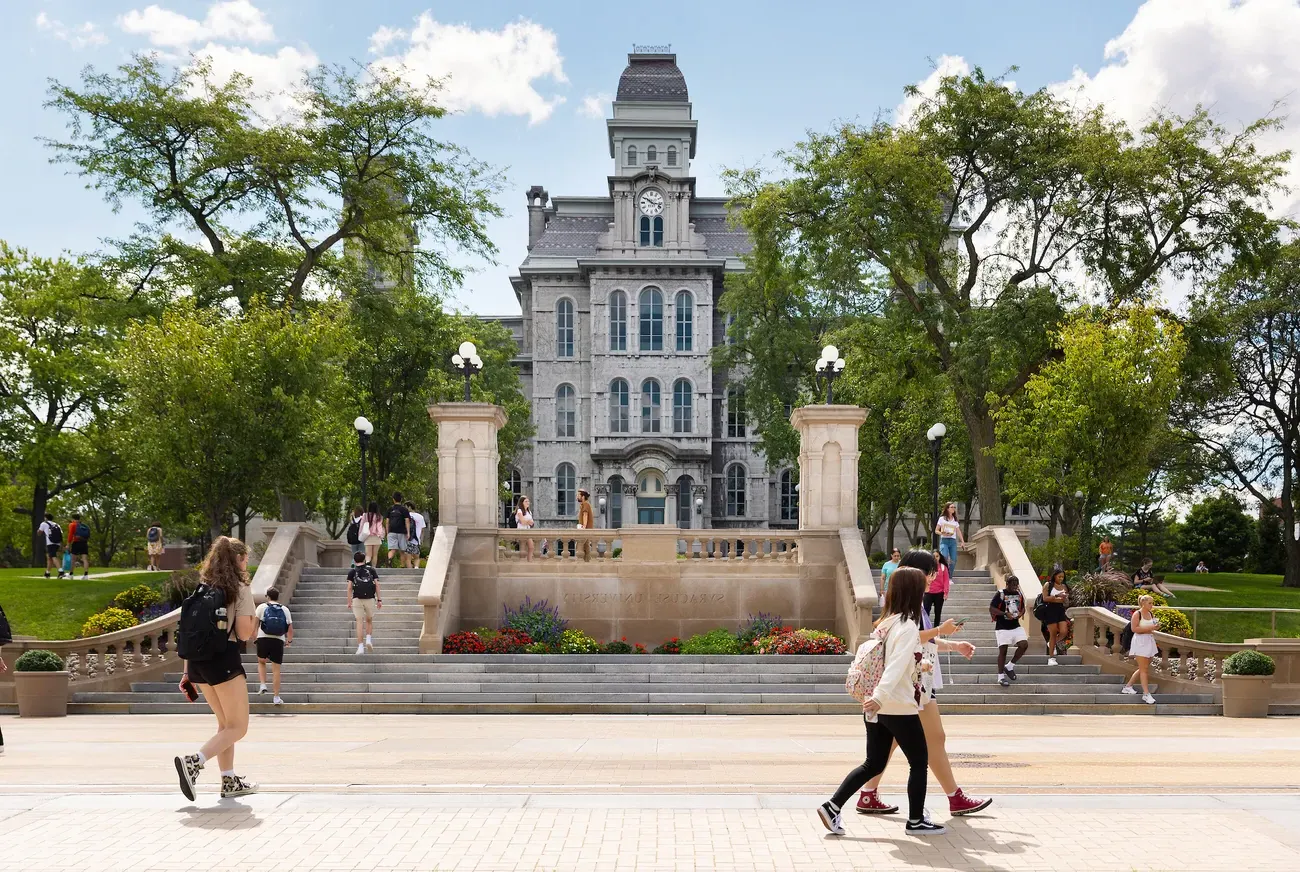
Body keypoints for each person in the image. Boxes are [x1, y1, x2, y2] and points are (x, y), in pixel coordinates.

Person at [857, 549, 991, 818]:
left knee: (895, 740)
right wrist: (944, 632)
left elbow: (923, 640)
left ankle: (867, 794)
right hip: (914, 684)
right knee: (934, 739)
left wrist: (953, 644)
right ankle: (954, 798)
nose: (934, 577)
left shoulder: (911, 600)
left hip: (917, 681)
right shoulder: (906, 601)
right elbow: (911, 637)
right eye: (930, 572)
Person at [818, 566, 947, 837]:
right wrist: (879, 697)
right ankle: (915, 821)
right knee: (919, 761)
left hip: (876, 704)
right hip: (895, 705)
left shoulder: (886, 622)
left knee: (874, 763)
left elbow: (895, 662)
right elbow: (895, 666)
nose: (927, 589)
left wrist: (917, 669)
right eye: (923, 585)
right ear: (914, 592)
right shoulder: (908, 626)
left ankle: (832, 806)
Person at [172, 536, 258, 801]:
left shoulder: (203, 588)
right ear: (240, 559)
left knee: (225, 725)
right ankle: (194, 762)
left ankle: (229, 780)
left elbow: (190, 632)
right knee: (239, 727)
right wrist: (255, 620)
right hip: (224, 659)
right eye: (246, 560)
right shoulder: (239, 588)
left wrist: (187, 672)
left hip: (198, 663)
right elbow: (244, 633)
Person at [254, 588, 293, 705]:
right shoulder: (285, 609)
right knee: (276, 669)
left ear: (267, 597)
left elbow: (255, 625)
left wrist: (255, 637)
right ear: (278, 597)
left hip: (263, 638)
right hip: (278, 639)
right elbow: (290, 629)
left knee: (261, 662)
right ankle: (276, 697)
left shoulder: (261, 607)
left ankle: (263, 684)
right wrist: (289, 641)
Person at [990, 575, 1030, 686]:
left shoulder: (1019, 594)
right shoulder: (1001, 594)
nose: (1015, 587)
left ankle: (1010, 666)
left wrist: (1021, 613)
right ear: (1007, 584)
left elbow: (1022, 608)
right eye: (1013, 585)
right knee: (1003, 651)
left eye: (1017, 585)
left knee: (1024, 644)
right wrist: (1004, 613)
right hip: (1002, 627)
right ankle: (1000, 677)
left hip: (1015, 625)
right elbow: (991, 608)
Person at [1122, 594, 1160, 705]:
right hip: (1140, 642)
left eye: (1152, 603)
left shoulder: (1150, 613)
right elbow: (1135, 629)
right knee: (1144, 670)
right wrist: (1151, 627)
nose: (1152, 605)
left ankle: (1128, 686)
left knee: (1144, 667)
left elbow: (1150, 627)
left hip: (1149, 641)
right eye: (1150, 603)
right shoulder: (1137, 614)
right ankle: (1146, 694)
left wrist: (1155, 627)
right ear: (1143, 603)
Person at [347, 551, 382, 654]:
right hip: (370, 598)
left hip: (357, 598)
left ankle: (360, 647)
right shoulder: (371, 570)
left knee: (359, 622)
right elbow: (377, 585)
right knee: (369, 620)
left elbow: (349, 587)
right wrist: (379, 599)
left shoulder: (352, 572)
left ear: (354, 560)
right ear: (364, 560)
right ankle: (368, 639)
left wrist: (349, 601)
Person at [1040, 569, 1071, 665]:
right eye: (1059, 577)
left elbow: (1063, 600)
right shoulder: (1048, 585)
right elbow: (1045, 598)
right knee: (1053, 633)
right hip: (1050, 610)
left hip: (1060, 610)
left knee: (1064, 631)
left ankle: (1052, 643)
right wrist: (1057, 596)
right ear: (1054, 576)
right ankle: (1051, 658)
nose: (1061, 578)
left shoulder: (1064, 586)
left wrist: (1056, 598)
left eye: (1062, 577)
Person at [923, 550, 950, 626]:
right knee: (926, 612)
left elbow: (946, 581)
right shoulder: (927, 567)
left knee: (937, 613)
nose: (935, 558)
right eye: (934, 556)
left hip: (939, 593)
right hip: (928, 593)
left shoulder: (943, 567)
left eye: (937, 556)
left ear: (940, 557)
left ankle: (936, 630)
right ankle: (926, 628)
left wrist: (946, 592)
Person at [385, 492, 411, 569]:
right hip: (402, 532)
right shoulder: (404, 509)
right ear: (401, 499)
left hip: (391, 532)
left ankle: (389, 560)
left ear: (393, 499)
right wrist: (408, 532)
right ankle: (402, 566)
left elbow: (387, 522)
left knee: (392, 549)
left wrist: (387, 532)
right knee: (402, 551)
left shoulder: (390, 509)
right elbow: (407, 521)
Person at [934, 502, 963, 569]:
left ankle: (949, 577)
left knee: (954, 559)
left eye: (954, 507)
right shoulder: (942, 519)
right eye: (952, 507)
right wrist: (942, 533)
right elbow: (936, 530)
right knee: (944, 557)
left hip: (953, 541)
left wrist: (962, 541)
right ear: (947, 509)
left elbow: (958, 531)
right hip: (944, 540)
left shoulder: (955, 520)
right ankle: (944, 575)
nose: (953, 509)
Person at [38, 513, 62, 579]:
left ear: (46, 517)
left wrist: (39, 531)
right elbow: (60, 534)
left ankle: (61, 571)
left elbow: (39, 533)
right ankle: (47, 573)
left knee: (53, 556)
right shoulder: (57, 525)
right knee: (49, 557)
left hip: (50, 543)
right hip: (57, 543)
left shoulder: (44, 524)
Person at [67, 513, 91, 580]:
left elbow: (70, 535)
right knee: (85, 559)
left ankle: (71, 574)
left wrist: (68, 544)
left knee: (73, 559)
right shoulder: (84, 525)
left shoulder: (72, 524)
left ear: (73, 518)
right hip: (84, 543)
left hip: (76, 543)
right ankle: (86, 575)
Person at [360, 502, 384, 566]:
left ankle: (367, 566)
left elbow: (361, 526)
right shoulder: (379, 516)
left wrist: (360, 534)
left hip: (368, 537)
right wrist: (381, 536)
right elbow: (379, 527)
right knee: (375, 555)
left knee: (368, 554)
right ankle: (373, 568)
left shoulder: (365, 515)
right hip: (376, 537)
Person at [405, 501, 426, 567]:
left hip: (407, 539)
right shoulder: (420, 517)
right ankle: (416, 568)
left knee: (408, 558)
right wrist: (421, 540)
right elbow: (422, 530)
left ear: (409, 507)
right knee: (416, 558)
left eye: (406, 507)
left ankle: (410, 573)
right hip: (416, 540)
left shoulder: (406, 516)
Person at [514, 496, 536, 560]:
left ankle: (529, 561)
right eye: (526, 501)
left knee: (531, 547)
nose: (528, 503)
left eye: (528, 501)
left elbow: (532, 523)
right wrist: (527, 522)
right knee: (523, 548)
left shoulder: (529, 512)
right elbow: (523, 522)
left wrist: (526, 522)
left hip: (528, 531)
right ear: (522, 503)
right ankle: (523, 562)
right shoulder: (519, 510)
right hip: (521, 530)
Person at [577, 489, 594, 561]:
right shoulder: (584, 504)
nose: (577, 497)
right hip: (586, 530)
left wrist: (583, 527)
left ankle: (584, 563)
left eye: (578, 495)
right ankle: (587, 563)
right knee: (586, 548)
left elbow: (585, 515)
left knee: (579, 546)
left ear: (583, 496)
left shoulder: (585, 504)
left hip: (585, 530)